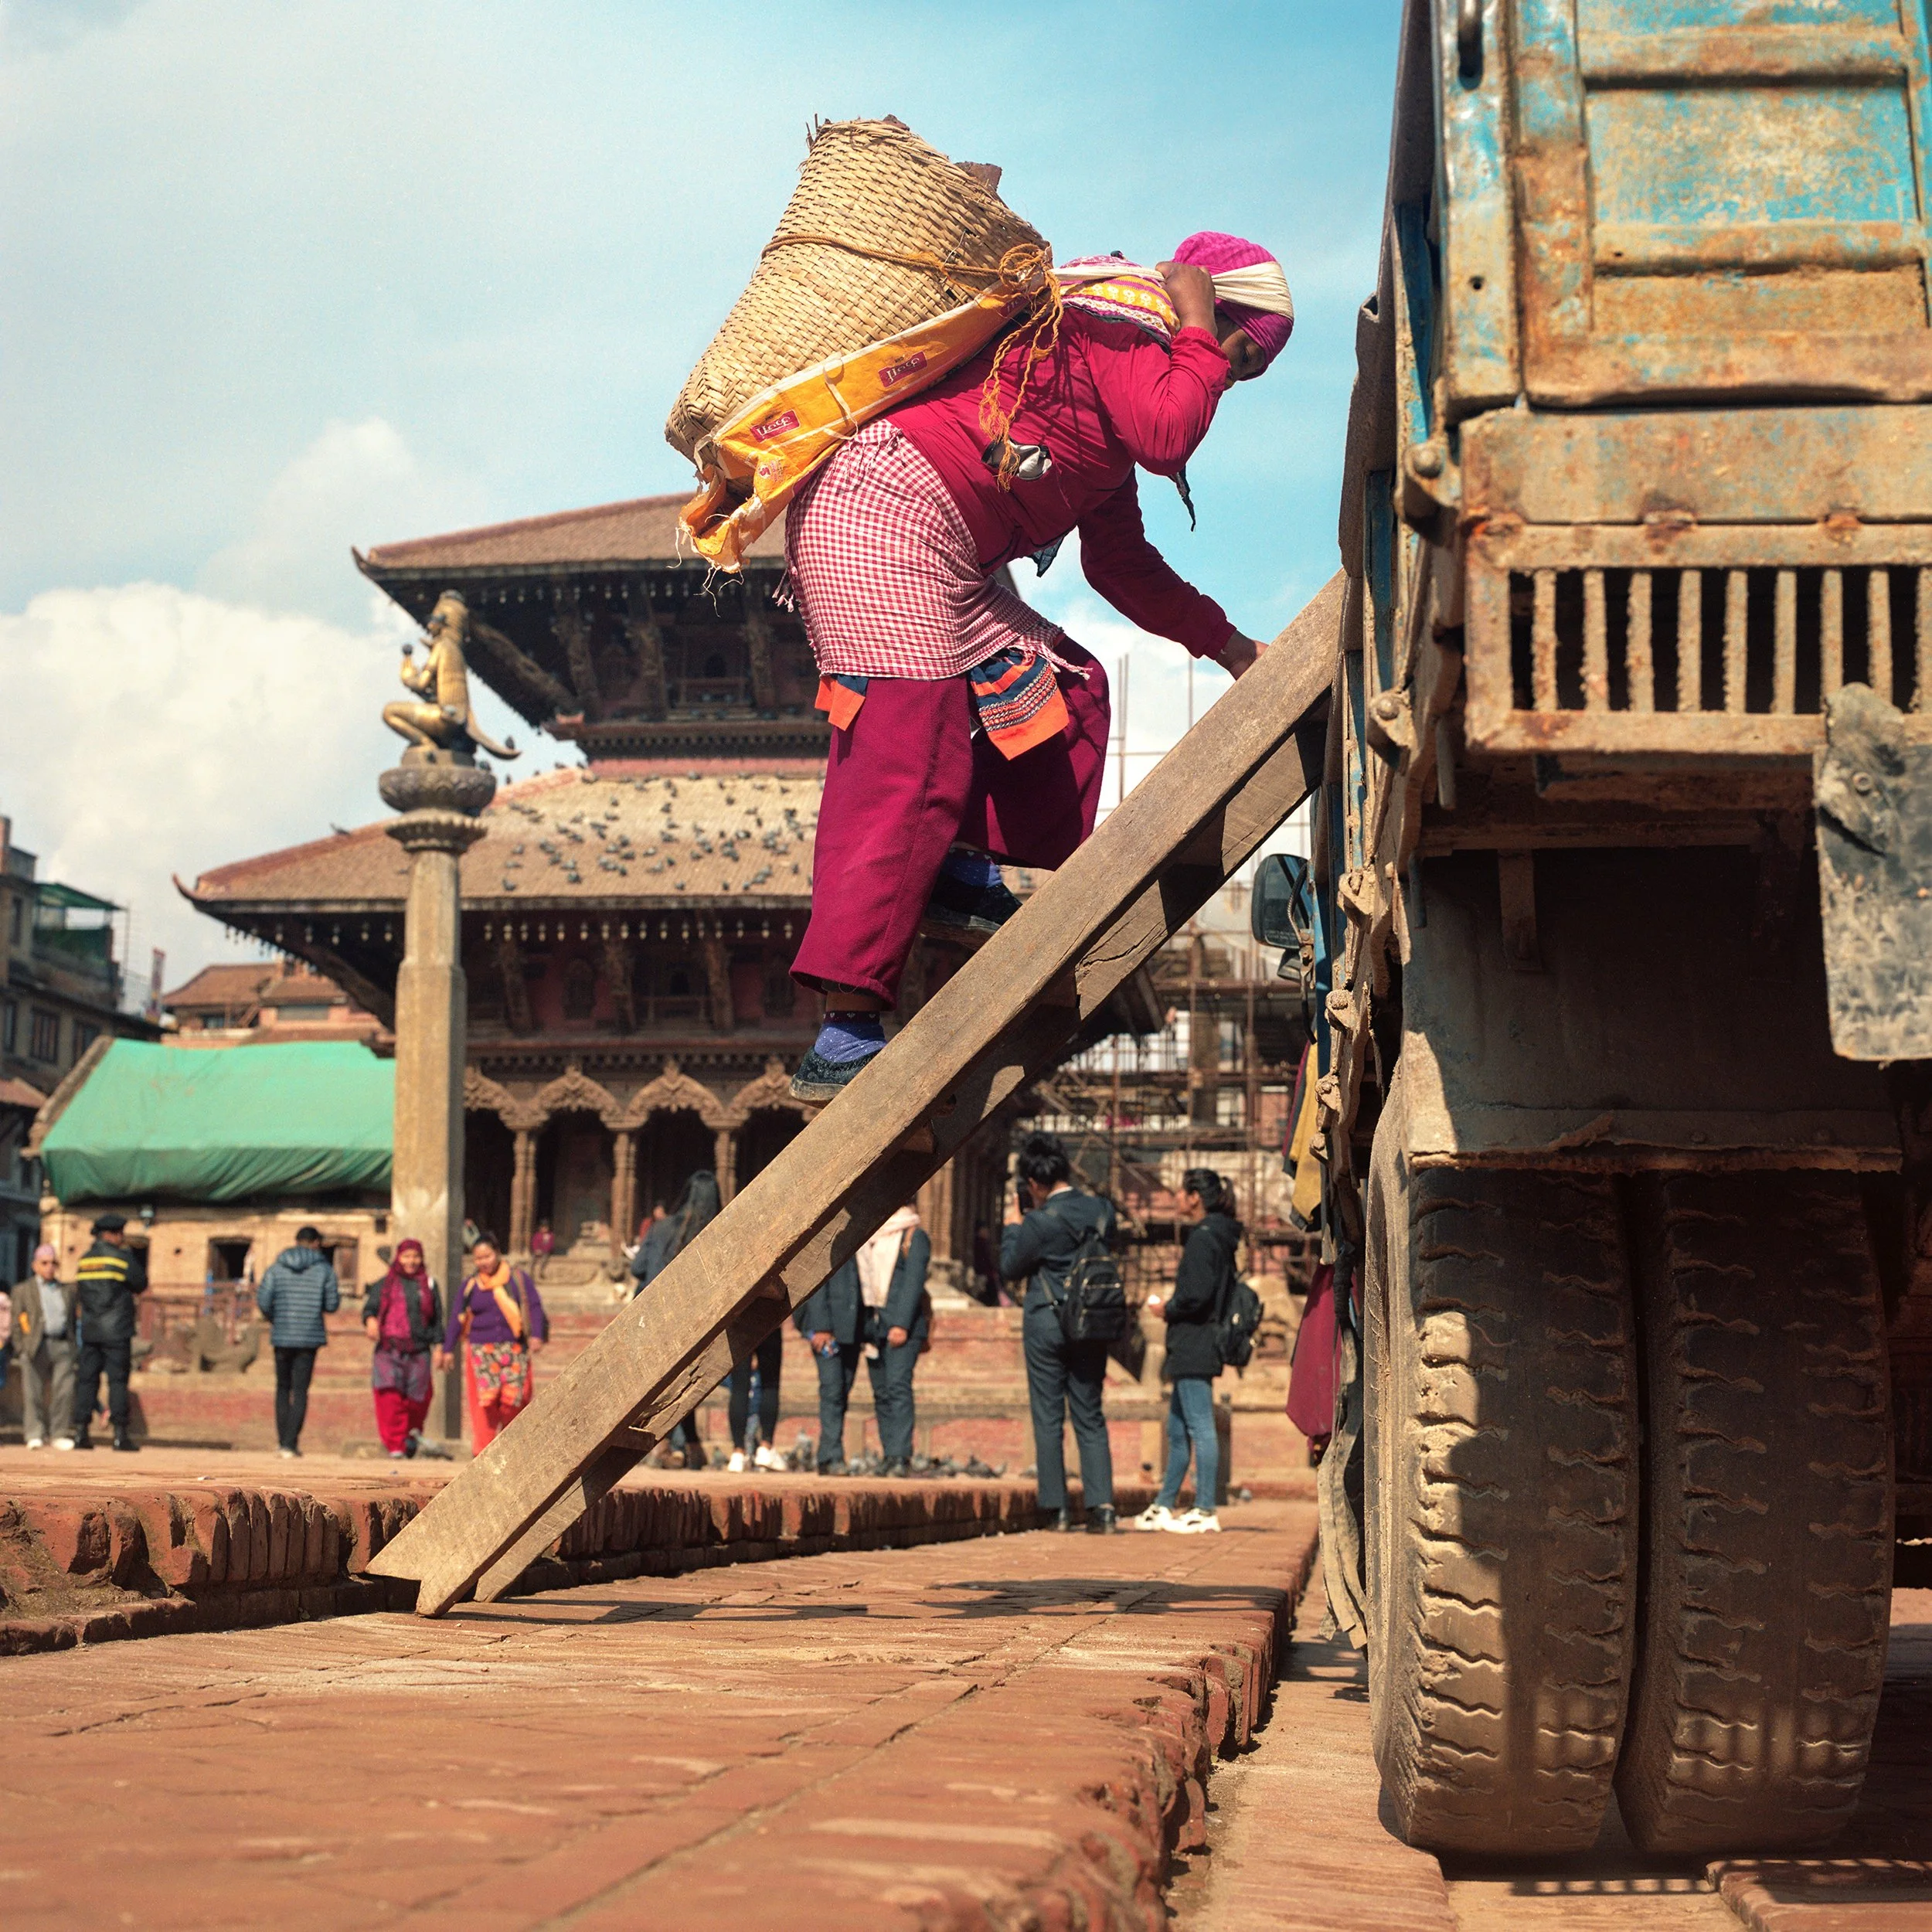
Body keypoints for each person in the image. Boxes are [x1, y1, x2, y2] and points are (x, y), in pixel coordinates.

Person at [784, 235, 1294, 1104]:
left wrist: (1236, 649)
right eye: (1236, 358)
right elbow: (1171, 433)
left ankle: (953, 866)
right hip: (874, 514)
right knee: (905, 758)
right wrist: (1195, 320)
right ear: (1208, 308)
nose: (1223, 380)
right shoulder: (1109, 322)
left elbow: (1123, 568)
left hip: (951, 553)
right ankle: (844, 1028)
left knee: (1062, 689)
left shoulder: (1113, 411)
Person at [1000, 1131, 1118, 1532]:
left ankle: (1057, 1509)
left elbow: (1009, 1269)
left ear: (1033, 1184)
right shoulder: (1102, 1210)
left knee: (1049, 1415)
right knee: (1090, 1414)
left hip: (1047, 1321)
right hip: (1093, 1321)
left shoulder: (1037, 1222)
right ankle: (1102, 1508)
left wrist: (1014, 1226)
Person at [1136, 1170, 1240, 1534]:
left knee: (1200, 1426)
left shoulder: (1203, 1238)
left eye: (1180, 1191)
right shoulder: (1220, 1237)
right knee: (1178, 1429)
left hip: (1195, 1340)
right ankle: (1164, 1503)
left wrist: (1168, 1308)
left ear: (1194, 1196)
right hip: (1197, 1341)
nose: (1177, 1198)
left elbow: (1196, 1296)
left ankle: (1205, 1508)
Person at [631, 1173, 719, 1465]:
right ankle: (686, 1445)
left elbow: (637, 1267)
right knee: (686, 1382)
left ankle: (670, 1445)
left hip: (654, 1317)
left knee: (661, 1382)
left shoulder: (660, 1228)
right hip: (694, 1321)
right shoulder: (714, 1233)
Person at [438, 1231, 546, 1450]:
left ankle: (512, 1449)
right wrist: (448, 1349)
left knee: (515, 1400)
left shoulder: (517, 1279)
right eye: (478, 1258)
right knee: (485, 1406)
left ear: (497, 1253)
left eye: (487, 1256)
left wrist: (537, 1334)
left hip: (514, 1348)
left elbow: (534, 1306)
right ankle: (483, 1454)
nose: (483, 1262)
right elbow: (457, 1317)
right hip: (481, 1352)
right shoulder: (470, 1285)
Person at [256, 1225, 341, 1458]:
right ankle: (290, 1444)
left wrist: (277, 1318)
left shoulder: (276, 1268)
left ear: (296, 1241)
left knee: (283, 1387)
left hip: (282, 1335)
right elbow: (332, 1304)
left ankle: (282, 1441)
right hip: (309, 1337)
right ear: (315, 1243)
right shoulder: (325, 1270)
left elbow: (263, 1300)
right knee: (301, 1390)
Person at [70, 1212, 147, 1451]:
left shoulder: (84, 1260)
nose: (122, 1238)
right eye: (120, 1234)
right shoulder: (122, 1259)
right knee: (117, 1381)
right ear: (111, 1234)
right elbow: (141, 1284)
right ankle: (120, 1435)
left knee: (87, 1381)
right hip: (116, 1331)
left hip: (91, 1331)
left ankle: (81, 1433)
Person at [362, 1237, 444, 1458]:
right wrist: (370, 1321)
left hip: (420, 1350)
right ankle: (395, 1445)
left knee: (418, 1399)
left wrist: (439, 1348)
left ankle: (410, 1438)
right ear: (399, 1257)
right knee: (389, 1395)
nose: (412, 1261)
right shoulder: (384, 1284)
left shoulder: (429, 1285)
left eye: (416, 1256)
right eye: (407, 1256)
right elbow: (370, 1308)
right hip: (389, 1349)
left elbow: (437, 1320)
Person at [11, 1243, 77, 1451]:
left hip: (62, 1344)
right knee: (32, 1392)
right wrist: (21, 1347)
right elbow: (16, 1321)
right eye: (44, 1263)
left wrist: (73, 1346)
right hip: (35, 1346)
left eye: (53, 1263)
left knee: (64, 1391)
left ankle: (59, 1433)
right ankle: (34, 1433)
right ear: (35, 1265)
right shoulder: (22, 1290)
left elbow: (73, 1320)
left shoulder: (66, 1290)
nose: (49, 1267)